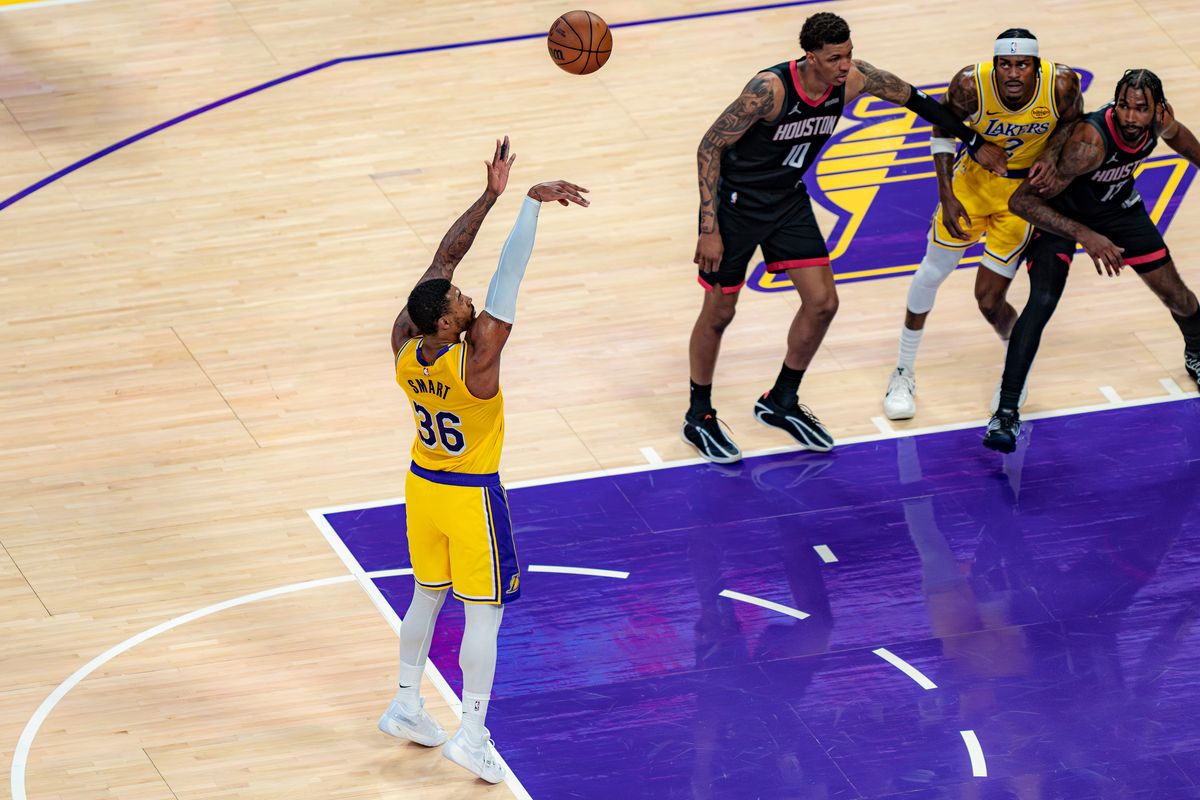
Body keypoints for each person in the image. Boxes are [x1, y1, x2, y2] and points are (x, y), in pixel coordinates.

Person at [684, 11, 1007, 463]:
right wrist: (708, 227)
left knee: (823, 304)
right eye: (835, 57)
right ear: (809, 57)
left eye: (848, 54)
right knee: (719, 312)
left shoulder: (854, 79)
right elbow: (709, 146)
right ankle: (698, 415)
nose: (844, 65)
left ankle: (781, 401)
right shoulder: (769, 90)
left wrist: (973, 141)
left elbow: (917, 100)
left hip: (788, 201)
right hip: (738, 205)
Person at [377, 136, 588, 781]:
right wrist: (527, 205)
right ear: (445, 324)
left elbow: (444, 258)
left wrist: (490, 196)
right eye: (458, 301)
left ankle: (406, 703)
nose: (466, 298)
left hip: (422, 488)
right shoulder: (479, 360)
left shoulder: (404, 345)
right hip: (470, 496)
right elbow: (508, 278)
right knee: (483, 612)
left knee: (425, 596)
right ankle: (472, 730)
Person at [984, 70, 1200, 452]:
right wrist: (1085, 235)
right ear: (1114, 106)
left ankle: (1196, 354)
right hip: (1061, 216)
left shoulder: (1161, 121)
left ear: (1159, 110)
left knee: (1178, 297)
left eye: (1141, 109)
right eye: (1124, 107)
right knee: (1042, 303)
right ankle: (1005, 412)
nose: (1131, 117)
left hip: (1117, 211)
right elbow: (1022, 202)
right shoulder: (1089, 144)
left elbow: (1181, 140)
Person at [882, 29, 1083, 420]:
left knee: (989, 300)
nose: (1011, 73)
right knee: (932, 271)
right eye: (1004, 64)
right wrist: (946, 193)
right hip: (971, 184)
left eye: (1021, 65)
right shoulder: (970, 84)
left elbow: (1070, 126)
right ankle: (903, 371)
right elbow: (941, 127)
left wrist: (1054, 158)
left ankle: (1015, 373)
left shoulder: (1061, 84)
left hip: (1021, 198)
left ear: (1036, 67)